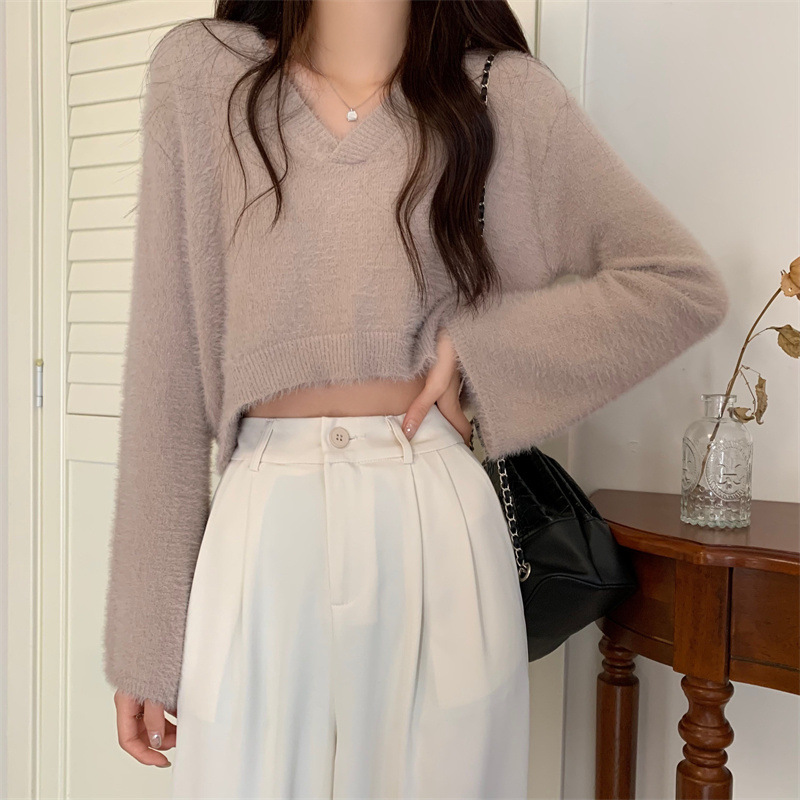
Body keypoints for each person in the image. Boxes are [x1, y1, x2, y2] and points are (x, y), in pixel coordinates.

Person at [101, 1, 730, 798]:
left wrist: (484, 352)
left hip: (436, 523)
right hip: (260, 533)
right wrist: (144, 640)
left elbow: (677, 284)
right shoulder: (202, 74)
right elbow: (166, 366)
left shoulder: (501, 94)